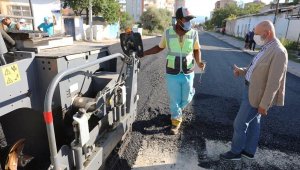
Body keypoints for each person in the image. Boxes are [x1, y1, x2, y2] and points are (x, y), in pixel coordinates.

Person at [220, 20, 288, 160]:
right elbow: (257, 68)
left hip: (257, 95)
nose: (253, 37)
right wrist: (243, 71)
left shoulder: (278, 51)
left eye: (256, 34)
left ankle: (236, 152)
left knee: (239, 124)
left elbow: (274, 82)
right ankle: (249, 151)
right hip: (250, 90)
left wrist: (265, 104)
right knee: (253, 123)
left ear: (267, 33)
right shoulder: (266, 47)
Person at [143, 7, 205, 135]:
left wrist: (199, 62)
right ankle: (175, 121)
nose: (189, 21)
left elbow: (196, 49)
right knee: (174, 99)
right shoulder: (168, 32)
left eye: (190, 19)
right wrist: (143, 53)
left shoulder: (193, 33)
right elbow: (159, 48)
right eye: (186, 19)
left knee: (186, 97)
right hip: (172, 71)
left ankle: (178, 109)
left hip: (188, 71)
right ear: (178, 20)